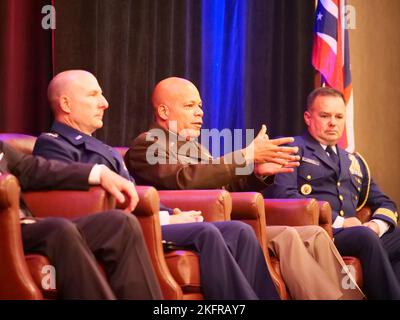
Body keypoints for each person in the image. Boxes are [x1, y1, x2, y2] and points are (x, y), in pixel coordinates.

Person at [33, 70, 280, 300]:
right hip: (120, 225)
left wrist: (172, 213)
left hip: (145, 219)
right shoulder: (54, 145)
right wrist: (162, 218)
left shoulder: (104, 148)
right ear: (66, 104)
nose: (105, 102)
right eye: (93, 94)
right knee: (207, 232)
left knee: (240, 231)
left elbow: (139, 192)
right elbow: (72, 202)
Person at [123, 76, 364, 300]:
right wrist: (245, 155)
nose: (200, 113)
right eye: (189, 106)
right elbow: (183, 179)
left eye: (200, 105)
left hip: (224, 221)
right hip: (196, 223)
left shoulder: (194, 148)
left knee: (315, 233)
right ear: (164, 111)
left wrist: (256, 171)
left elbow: (223, 185)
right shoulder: (148, 144)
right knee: (288, 236)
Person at [266, 86, 400, 299]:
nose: (333, 123)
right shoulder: (293, 149)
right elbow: (284, 195)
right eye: (325, 115)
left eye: (339, 116)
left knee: (390, 236)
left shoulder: (354, 161)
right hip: (319, 233)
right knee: (365, 237)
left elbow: (385, 203)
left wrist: (375, 225)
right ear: (308, 118)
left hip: (359, 234)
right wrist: (339, 221)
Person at [0, 140, 162, 300]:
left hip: (26, 228)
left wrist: (99, 173)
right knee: (60, 230)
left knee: (121, 224)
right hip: (7, 232)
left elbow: (35, 169)